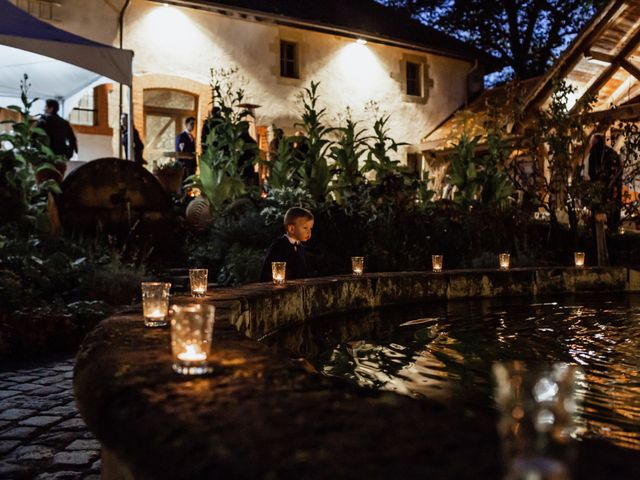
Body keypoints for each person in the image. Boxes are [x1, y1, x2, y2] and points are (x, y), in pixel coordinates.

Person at [260, 207, 314, 282]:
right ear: (291, 229)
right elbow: (267, 273)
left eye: (310, 228)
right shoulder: (279, 247)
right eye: (305, 228)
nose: (309, 232)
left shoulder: (300, 248)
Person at [585, 133, 622, 229]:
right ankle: (613, 226)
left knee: (598, 211)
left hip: (599, 188)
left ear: (595, 141)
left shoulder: (595, 152)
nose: (590, 145)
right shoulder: (612, 153)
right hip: (613, 187)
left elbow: (591, 171)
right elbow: (619, 169)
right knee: (612, 210)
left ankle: (596, 229)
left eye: (591, 142)